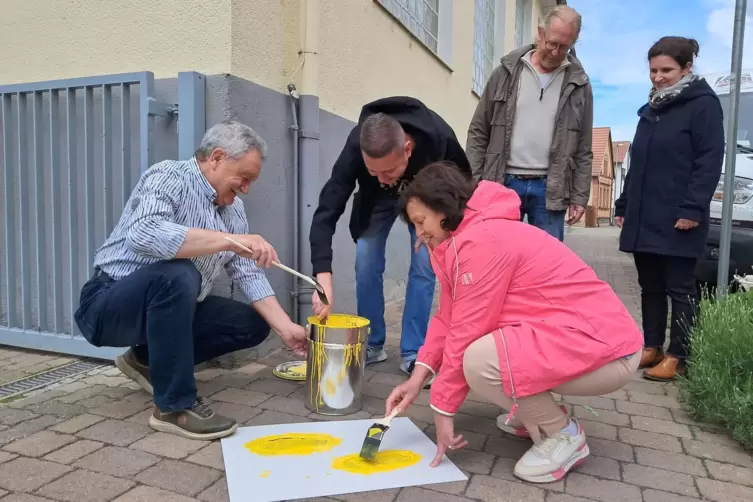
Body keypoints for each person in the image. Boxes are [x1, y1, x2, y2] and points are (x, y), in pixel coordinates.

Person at [386, 162, 643, 483]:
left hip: (608, 353)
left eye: (421, 221)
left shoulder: (481, 241)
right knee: (480, 355)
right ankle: (535, 415)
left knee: (478, 361)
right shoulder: (465, 238)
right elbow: (448, 318)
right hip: (586, 341)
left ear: (442, 205)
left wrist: (442, 408)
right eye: (415, 226)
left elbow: (466, 331)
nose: (420, 233)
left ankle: (563, 435)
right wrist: (418, 376)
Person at [74, 121, 308, 440]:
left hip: (166, 308)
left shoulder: (234, 210)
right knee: (179, 273)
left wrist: (287, 330)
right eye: (244, 177)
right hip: (106, 302)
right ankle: (174, 407)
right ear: (216, 158)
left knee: (251, 323)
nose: (247, 188)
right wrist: (227, 239)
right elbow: (143, 234)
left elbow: (248, 272)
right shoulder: (169, 176)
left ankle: (145, 361)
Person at [309, 96, 471, 374]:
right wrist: (322, 277)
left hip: (424, 201)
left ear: (408, 149)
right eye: (373, 171)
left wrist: (442, 228)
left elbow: (464, 187)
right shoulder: (355, 145)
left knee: (424, 266)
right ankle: (372, 344)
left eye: (388, 171)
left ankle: (413, 352)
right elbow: (327, 209)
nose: (383, 178)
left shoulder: (439, 139)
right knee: (365, 258)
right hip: (376, 203)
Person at [614, 37, 724, 381]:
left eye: (666, 70)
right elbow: (638, 163)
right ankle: (652, 346)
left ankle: (679, 355)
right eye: (653, 71)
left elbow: (709, 161)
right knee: (650, 285)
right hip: (645, 215)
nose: (658, 77)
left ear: (686, 68)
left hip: (680, 216)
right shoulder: (651, 109)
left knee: (680, 287)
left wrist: (693, 208)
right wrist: (623, 202)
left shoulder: (704, 105)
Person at [466, 5, 593, 241]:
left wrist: (579, 196)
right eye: (551, 43)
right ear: (540, 33)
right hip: (502, 183)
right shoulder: (505, 73)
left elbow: (584, 148)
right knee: (496, 255)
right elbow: (478, 131)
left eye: (564, 47)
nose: (555, 52)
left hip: (550, 188)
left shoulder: (580, 85)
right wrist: (474, 182)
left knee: (546, 266)